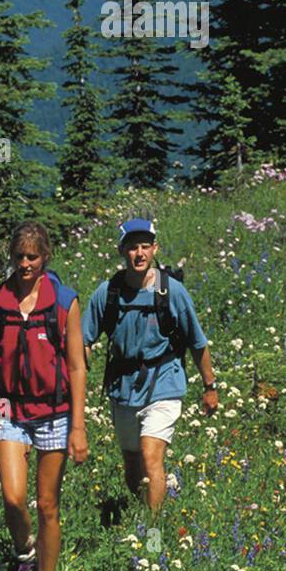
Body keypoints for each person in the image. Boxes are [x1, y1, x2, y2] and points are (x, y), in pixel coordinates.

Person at [0, 221, 88, 571]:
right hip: (7, 408)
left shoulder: (64, 303)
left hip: (54, 411)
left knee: (48, 504)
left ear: (45, 258)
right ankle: (25, 554)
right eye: (19, 256)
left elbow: (76, 366)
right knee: (13, 497)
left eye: (32, 257)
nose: (25, 264)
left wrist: (78, 426)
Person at [83, 216, 217, 513]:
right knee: (132, 461)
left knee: (151, 456)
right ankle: (140, 514)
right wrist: (75, 379)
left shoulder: (172, 292)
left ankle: (153, 535)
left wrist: (210, 386)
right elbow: (85, 340)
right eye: (132, 247)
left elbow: (197, 341)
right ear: (122, 251)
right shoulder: (107, 293)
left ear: (155, 249)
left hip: (164, 381)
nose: (139, 253)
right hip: (123, 387)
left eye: (145, 246)